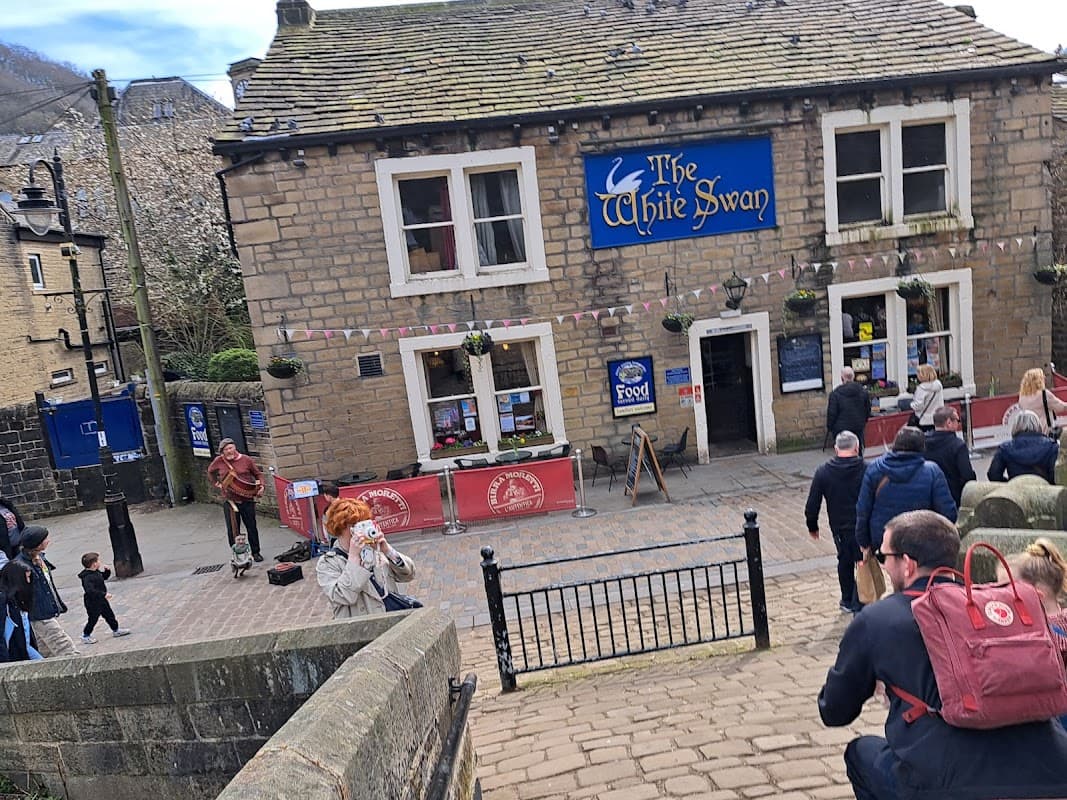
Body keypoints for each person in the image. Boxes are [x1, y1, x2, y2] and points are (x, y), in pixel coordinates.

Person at [819, 510, 1067, 800]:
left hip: (948, 782)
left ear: (908, 564)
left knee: (860, 753)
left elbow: (834, 710)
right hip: (1053, 768)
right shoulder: (994, 605)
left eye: (884, 557)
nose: (883, 565)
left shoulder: (877, 620)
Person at [855, 426, 956, 557]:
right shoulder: (932, 471)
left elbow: (863, 510)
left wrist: (863, 541)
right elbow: (947, 513)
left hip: (884, 540)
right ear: (921, 448)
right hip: (921, 541)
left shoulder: (875, 469)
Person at [317, 498, 415, 618]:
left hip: (391, 618)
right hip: (361, 625)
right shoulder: (328, 563)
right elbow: (342, 596)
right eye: (355, 525)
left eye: (364, 523)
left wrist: (387, 550)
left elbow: (408, 575)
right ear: (339, 528)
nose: (361, 529)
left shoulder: (374, 549)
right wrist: (353, 558)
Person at [805, 431, 867, 613]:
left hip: (840, 527)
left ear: (836, 449)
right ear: (857, 448)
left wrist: (812, 525)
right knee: (864, 561)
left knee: (844, 561)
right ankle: (862, 598)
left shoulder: (823, 472)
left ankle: (847, 599)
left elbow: (812, 503)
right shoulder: (867, 469)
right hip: (863, 524)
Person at [14, 525, 78, 657]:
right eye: (45, 539)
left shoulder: (39, 557)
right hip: (40, 614)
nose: (48, 540)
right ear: (37, 544)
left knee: (46, 651)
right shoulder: (22, 566)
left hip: (45, 611)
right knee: (66, 649)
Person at [207, 438, 265, 562]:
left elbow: (258, 474)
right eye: (226, 450)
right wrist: (217, 483)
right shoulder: (219, 461)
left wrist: (261, 486)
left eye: (230, 448)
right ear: (222, 452)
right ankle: (237, 554)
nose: (229, 451)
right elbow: (210, 472)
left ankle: (256, 552)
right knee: (233, 529)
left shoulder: (246, 460)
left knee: (251, 526)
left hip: (247, 499)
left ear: (235, 448)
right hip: (230, 500)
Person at [923, 407, 976, 507]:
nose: (958, 424)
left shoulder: (922, 443)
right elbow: (967, 476)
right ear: (949, 422)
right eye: (957, 420)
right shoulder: (958, 445)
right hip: (953, 496)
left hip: (929, 496)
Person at [987, 410, 1058, 483]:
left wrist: (1009, 484)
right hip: (1045, 488)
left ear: (1015, 426)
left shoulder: (1005, 448)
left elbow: (993, 475)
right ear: (1038, 425)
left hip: (1015, 488)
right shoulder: (1051, 446)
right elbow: (1055, 475)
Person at [77, 552, 130, 644]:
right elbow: (90, 591)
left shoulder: (96, 572)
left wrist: (107, 572)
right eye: (98, 561)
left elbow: (103, 577)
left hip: (101, 600)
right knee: (93, 619)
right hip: (93, 602)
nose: (100, 562)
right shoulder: (87, 578)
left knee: (109, 615)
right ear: (94, 564)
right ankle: (86, 635)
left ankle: (116, 629)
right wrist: (103, 594)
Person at [0, 561, 41, 662]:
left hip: (23, 650)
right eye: (26, 578)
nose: (28, 581)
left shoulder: (19, 600)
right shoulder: (5, 602)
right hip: (11, 654)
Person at [827, 367, 871, 451]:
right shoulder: (863, 392)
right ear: (853, 377)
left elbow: (832, 414)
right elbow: (867, 410)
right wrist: (863, 422)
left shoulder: (835, 394)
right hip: (858, 427)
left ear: (842, 378)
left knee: (843, 451)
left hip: (841, 430)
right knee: (857, 450)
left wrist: (830, 427)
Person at [1017, 367, 1067, 435]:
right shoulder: (1044, 394)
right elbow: (1062, 407)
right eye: (1042, 376)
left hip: (1029, 433)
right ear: (1038, 380)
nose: (1044, 378)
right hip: (1044, 433)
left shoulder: (1022, 397)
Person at [909, 364, 942, 432]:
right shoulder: (938, 385)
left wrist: (911, 405)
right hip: (937, 419)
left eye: (918, 373)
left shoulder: (921, 388)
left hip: (924, 420)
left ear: (923, 375)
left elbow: (919, 405)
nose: (917, 375)